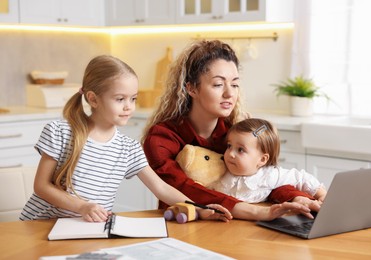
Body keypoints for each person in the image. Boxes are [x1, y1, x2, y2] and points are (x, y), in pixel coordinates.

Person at [19, 55, 232, 223]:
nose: (129, 106)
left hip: (86, 230)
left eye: (133, 99)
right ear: (93, 99)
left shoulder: (128, 148)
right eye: (120, 99)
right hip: (40, 225)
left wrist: (199, 209)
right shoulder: (61, 132)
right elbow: (41, 186)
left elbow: (162, 188)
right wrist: (83, 207)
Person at [142, 40, 320, 221]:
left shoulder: (235, 133)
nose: (229, 93)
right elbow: (182, 187)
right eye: (218, 84)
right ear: (191, 88)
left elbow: (261, 179)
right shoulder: (161, 138)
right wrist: (256, 212)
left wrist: (298, 197)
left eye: (234, 84)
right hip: (182, 225)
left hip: (231, 224)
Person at [212, 118, 327, 203]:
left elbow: (301, 178)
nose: (230, 153)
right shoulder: (219, 168)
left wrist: (321, 194)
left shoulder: (269, 175)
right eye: (229, 146)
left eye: (240, 150)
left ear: (262, 159)